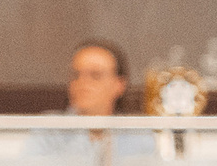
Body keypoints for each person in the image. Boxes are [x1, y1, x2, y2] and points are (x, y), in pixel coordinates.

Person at [24, 40, 152, 158]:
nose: (83, 83)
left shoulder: (139, 135)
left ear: (119, 84)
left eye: (95, 75)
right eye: (76, 75)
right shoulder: (48, 130)